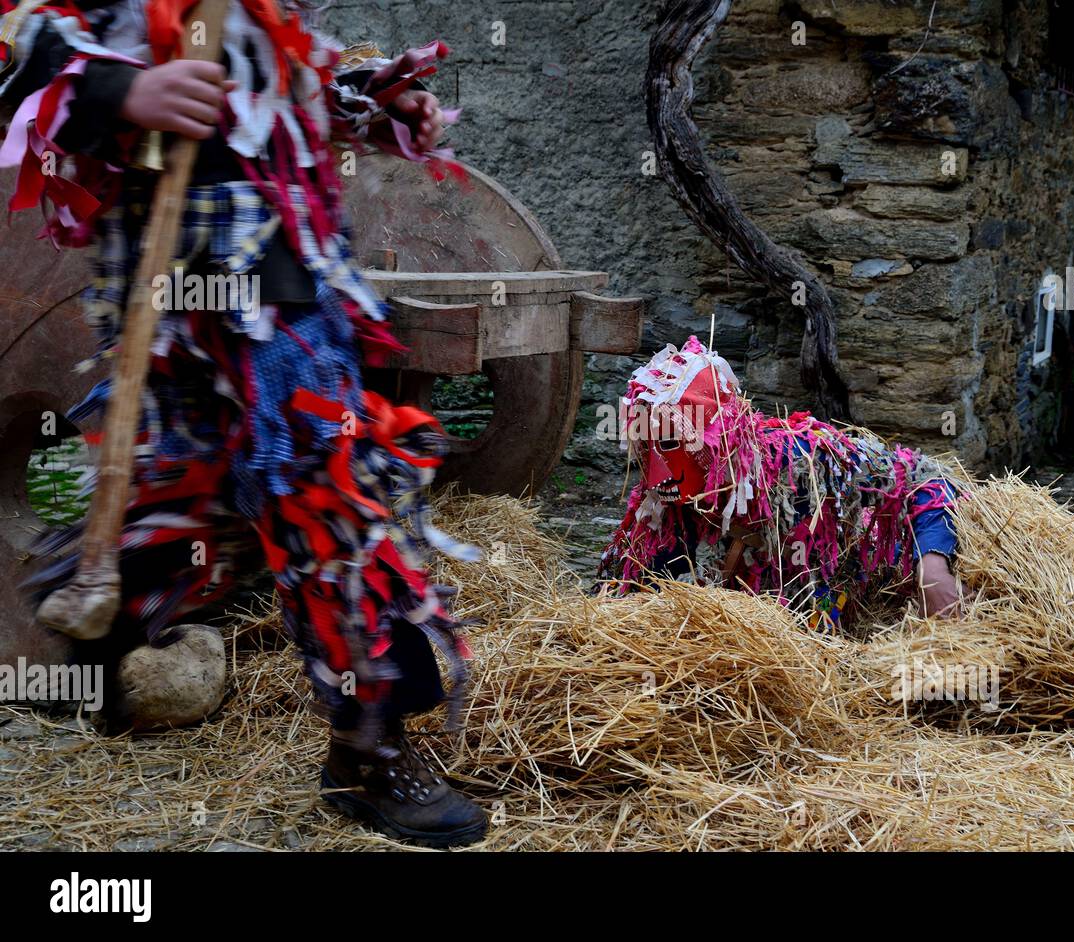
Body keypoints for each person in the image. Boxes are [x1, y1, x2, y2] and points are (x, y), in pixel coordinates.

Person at [0, 0, 487, 846]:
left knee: (320, 499)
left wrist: (371, 103)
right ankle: (112, 614)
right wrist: (124, 89)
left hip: (279, 286)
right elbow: (15, 38)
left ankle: (365, 743)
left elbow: (277, 95)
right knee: (238, 487)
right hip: (167, 278)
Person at [597, 337, 965, 623]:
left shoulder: (805, 459)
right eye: (644, 443)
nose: (657, 468)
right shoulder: (663, 503)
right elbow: (648, 602)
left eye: (671, 442)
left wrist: (932, 564)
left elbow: (926, 476)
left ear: (721, 438)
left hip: (845, 610)